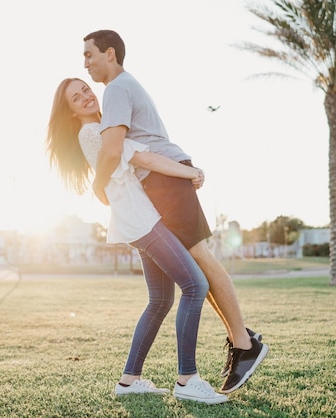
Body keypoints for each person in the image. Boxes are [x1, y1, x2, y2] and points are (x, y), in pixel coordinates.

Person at [82, 29, 268, 394]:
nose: (86, 63)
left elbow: (112, 149)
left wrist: (97, 187)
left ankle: (245, 345)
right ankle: (241, 340)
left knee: (202, 260)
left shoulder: (116, 88)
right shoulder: (121, 87)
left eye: (89, 55)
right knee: (194, 270)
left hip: (164, 182)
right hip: (160, 183)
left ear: (109, 54)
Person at [47, 77, 229, 404]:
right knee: (195, 285)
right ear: (72, 112)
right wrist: (191, 172)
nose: (87, 97)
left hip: (137, 220)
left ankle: (129, 380)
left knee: (160, 300)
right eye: (77, 98)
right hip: (143, 221)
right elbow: (144, 159)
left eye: (86, 89)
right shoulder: (93, 133)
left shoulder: (105, 128)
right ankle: (187, 379)